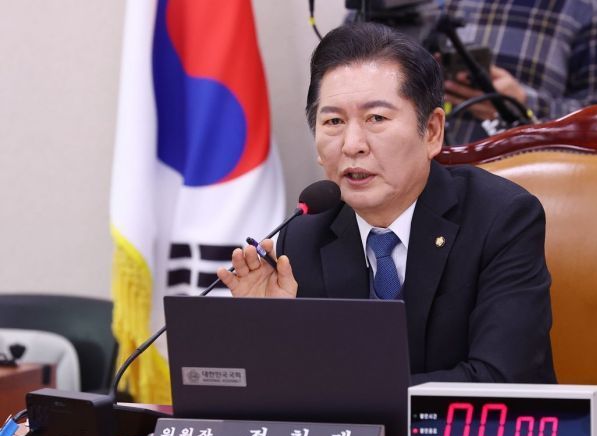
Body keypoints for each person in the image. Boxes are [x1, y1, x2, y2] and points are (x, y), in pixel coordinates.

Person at [217, 22, 555, 385]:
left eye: (376, 118)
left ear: (432, 131)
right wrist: (268, 330)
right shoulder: (303, 236)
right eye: (333, 121)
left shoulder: (500, 219)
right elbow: (292, 393)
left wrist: (343, 392)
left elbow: (500, 381)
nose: (352, 145)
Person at [349, 0, 597, 143]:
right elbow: (341, 77)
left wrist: (519, 105)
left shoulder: (583, 5)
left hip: (513, 198)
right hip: (390, 191)